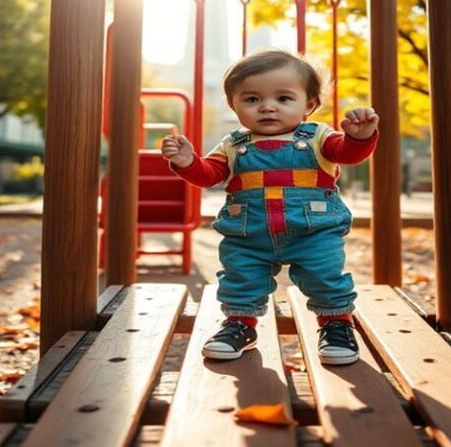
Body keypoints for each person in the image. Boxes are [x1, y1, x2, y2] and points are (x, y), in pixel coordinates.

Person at [161, 49, 378, 365]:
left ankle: (336, 325)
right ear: (233, 105)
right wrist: (187, 162)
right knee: (240, 278)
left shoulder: (319, 137)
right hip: (249, 234)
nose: (267, 107)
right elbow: (209, 174)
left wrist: (361, 136)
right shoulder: (233, 145)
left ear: (310, 104)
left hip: (313, 232)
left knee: (325, 277)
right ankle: (239, 325)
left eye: (284, 98)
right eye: (251, 99)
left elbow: (347, 153)